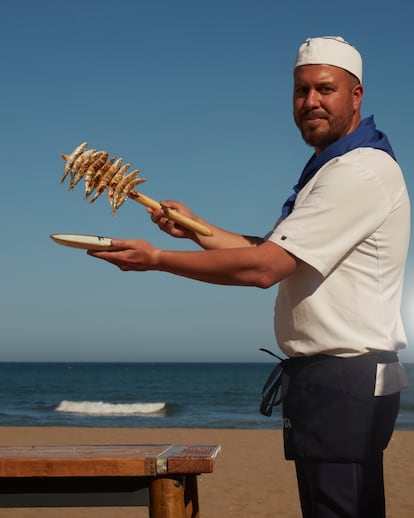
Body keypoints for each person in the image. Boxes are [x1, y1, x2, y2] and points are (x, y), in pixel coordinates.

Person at [88, 36, 410, 518]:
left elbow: (265, 268)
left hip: (347, 380)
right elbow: (270, 249)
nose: (311, 102)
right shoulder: (329, 171)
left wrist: (157, 258)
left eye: (326, 89)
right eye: (301, 91)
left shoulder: (359, 171)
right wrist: (197, 230)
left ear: (356, 95)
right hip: (326, 382)